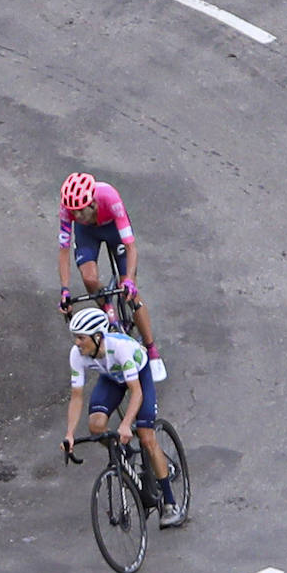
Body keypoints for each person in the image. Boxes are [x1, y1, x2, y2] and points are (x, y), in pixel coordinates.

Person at [63, 308, 183, 527]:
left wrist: (127, 424)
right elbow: (76, 398)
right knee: (96, 426)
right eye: (75, 337)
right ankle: (125, 453)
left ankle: (170, 503)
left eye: (81, 337)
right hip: (111, 378)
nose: (77, 343)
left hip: (139, 374)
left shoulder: (120, 348)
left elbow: (136, 392)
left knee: (146, 437)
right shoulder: (76, 355)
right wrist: (69, 434)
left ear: (97, 337)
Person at [57, 171, 167, 381]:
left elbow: (130, 247)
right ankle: (109, 311)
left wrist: (129, 281)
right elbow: (63, 251)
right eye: (73, 212)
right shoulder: (69, 209)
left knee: (130, 293)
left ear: (92, 203)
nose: (76, 217)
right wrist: (65, 290)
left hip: (113, 230)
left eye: (80, 212)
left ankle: (152, 350)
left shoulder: (110, 197)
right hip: (87, 234)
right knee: (89, 277)